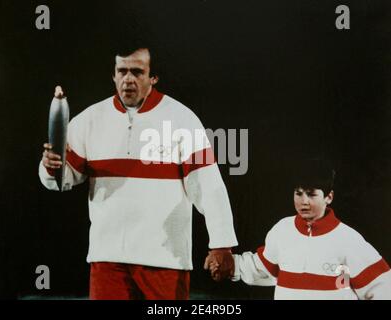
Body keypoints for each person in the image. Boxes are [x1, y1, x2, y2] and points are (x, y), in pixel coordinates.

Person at [39, 45, 238, 300]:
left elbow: (209, 186)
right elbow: (60, 181)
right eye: (122, 71)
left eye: (137, 72)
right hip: (107, 260)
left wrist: (222, 244)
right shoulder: (89, 120)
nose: (128, 79)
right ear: (113, 75)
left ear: (153, 77)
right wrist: (50, 167)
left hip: (165, 261)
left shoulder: (182, 119)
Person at [205, 159, 391, 299]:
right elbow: (262, 268)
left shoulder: (348, 240)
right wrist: (228, 265)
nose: (304, 201)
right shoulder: (282, 231)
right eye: (298, 193)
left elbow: (382, 288)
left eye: (311, 194)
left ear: (329, 197)